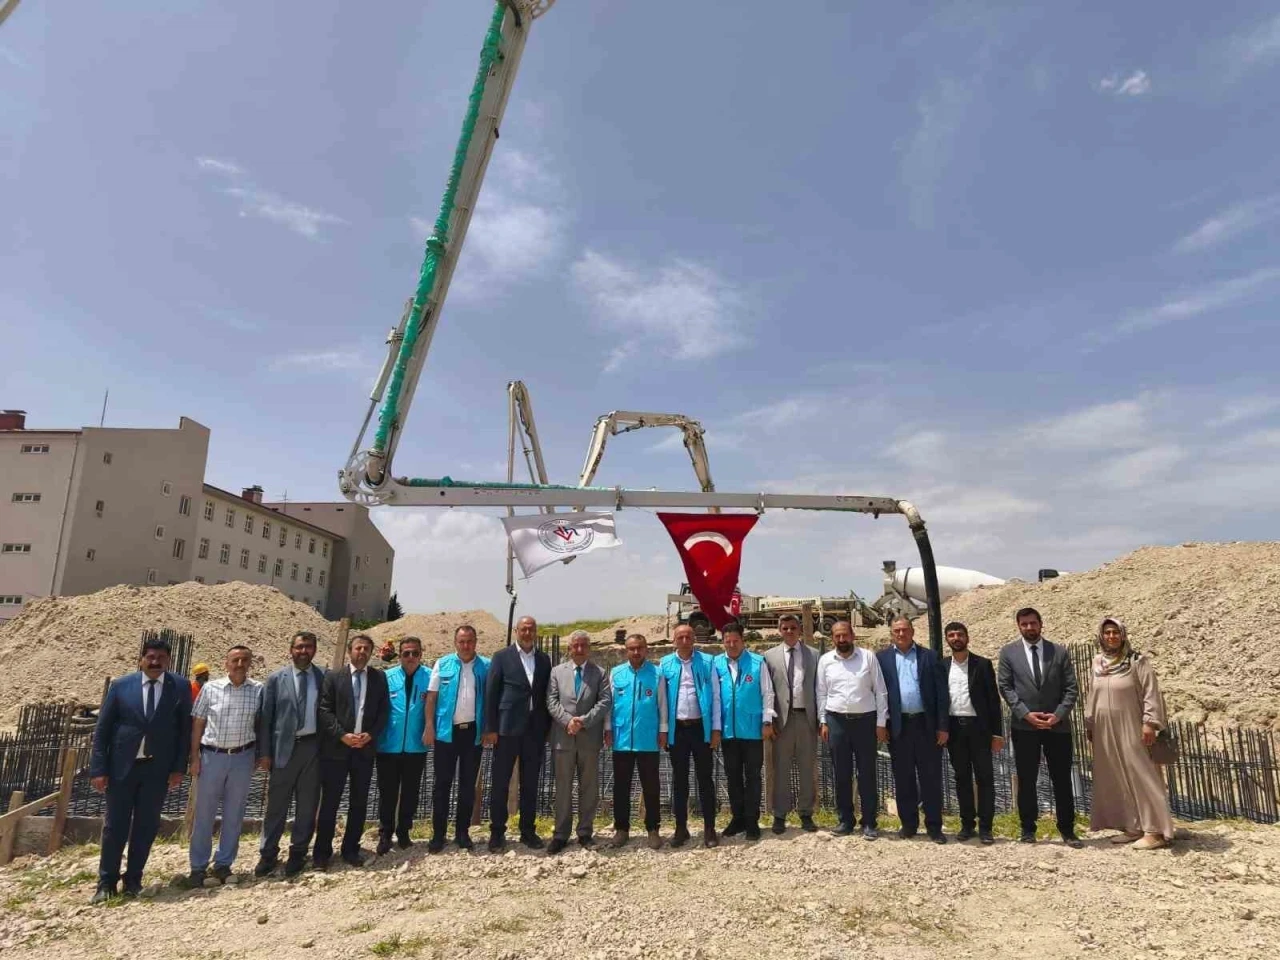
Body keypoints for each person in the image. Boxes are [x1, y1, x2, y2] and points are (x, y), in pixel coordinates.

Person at [89, 635, 192, 903]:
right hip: (122, 769)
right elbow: (102, 730)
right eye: (150, 657)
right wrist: (98, 769)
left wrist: (178, 768)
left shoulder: (180, 687)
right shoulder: (122, 686)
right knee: (115, 827)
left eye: (161, 658)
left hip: (157, 771)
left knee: (146, 827)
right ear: (141, 660)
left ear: (169, 660)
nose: (155, 662)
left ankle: (133, 880)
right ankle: (106, 883)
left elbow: (184, 731)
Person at [1085, 617, 1175, 850]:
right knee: (1116, 774)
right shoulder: (1097, 662)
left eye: (1116, 632)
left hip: (1132, 725)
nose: (1111, 636)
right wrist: (1090, 722)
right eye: (1107, 632)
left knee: (1142, 774)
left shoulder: (1137, 661)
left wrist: (1149, 723)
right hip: (1105, 728)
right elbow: (1092, 694)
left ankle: (1155, 830)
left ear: (1123, 635)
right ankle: (1133, 825)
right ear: (1101, 636)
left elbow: (1151, 692)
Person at [997, 608, 1082, 848]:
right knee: (1026, 779)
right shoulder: (1009, 653)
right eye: (1024, 624)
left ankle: (1067, 830)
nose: (1029, 628)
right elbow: (1005, 687)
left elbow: (1071, 688)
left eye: (1033, 623)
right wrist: (1025, 714)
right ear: (1018, 626)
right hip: (1025, 727)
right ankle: (1027, 829)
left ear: (1041, 624)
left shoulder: (1059, 652)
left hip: (1058, 727)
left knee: (1062, 779)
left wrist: (1058, 715)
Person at [182, 645, 264, 887]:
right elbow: (198, 723)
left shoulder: (258, 690)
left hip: (243, 757)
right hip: (212, 756)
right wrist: (194, 757)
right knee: (204, 814)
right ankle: (198, 867)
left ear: (250, 663)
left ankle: (223, 864)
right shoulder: (210, 688)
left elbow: (261, 724)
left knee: (234, 814)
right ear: (226, 663)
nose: (239, 664)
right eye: (235, 660)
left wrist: (259, 755)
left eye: (244, 660)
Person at [254, 631, 327, 878]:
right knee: (276, 805)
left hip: (312, 748)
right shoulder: (276, 679)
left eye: (309, 647)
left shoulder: (323, 677)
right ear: (291, 650)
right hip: (283, 749)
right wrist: (265, 753)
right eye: (299, 647)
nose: (304, 651)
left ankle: (298, 852)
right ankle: (268, 853)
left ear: (315, 650)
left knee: (307, 805)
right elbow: (265, 719)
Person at [315, 634, 390, 868]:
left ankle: (351, 849)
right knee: (330, 801)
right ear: (350, 651)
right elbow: (324, 710)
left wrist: (370, 734)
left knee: (359, 802)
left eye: (367, 648)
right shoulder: (333, 677)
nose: (362, 652)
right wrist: (342, 735)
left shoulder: (378, 678)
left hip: (364, 750)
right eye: (359, 648)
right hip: (337, 749)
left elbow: (384, 711)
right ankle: (322, 853)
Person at [876, 618, 949, 844]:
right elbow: (878, 693)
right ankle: (908, 825)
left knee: (931, 778)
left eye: (905, 630)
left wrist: (942, 726)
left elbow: (941, 694)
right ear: (891, 633)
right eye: (897, 630)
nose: (901, 634)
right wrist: (882, 724)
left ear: (913, 631)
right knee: (903, 778)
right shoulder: (882, 659)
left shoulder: (930, 656)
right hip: (899, 727)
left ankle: (934, 827)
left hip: (926, 726)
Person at [484, 615, 552, 851]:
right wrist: (491, 728)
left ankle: (528, 831)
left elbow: (546, 695)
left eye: (531, 629)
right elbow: (491, 693)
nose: (527, 633)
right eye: (523, 629)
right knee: (500, 782)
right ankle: (497, 832)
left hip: (534, 731)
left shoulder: (544, 659)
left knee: (530, 783)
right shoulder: (501, 657)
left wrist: (547, 728)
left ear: (536, 632)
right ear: (516, 631)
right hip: (506, 729)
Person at [815, 621, 887, 840]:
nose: (841, 639)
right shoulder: (826, 661)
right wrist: (823, 721)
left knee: (867, 773)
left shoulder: (868, 657)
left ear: (853, 635)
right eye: (837, 636)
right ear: (832, 638)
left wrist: (881, 723)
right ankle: (845, 820)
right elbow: (821, 693)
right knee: (841, 773)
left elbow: (880, 690)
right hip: (836, 722)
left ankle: (869, 822)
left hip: (866, 721)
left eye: (845, 635)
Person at [423, 625, 491, 852]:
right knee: (442, 784)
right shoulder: (442, 664)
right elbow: (431, 698)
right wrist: (429, 726)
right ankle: (438, 834)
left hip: (473, 733)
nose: (466, 645)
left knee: (468, 785)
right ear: (455, 643)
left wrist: (489, 728)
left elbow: (491, 699)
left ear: (475, 642)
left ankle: (462, 832)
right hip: (446, 733)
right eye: (461, 641)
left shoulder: (486, 666)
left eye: (469, 641)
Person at [937, 621, 1003, 845]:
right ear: (947, 639)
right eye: (951, 635)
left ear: (967, 637)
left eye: (960, 634)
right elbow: (940, 700)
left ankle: (986, 827)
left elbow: (993, 701)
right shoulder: (942, 666)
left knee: (985, 778)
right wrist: (942, 728)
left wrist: (997, 734)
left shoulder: (982, 664)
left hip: (979, 729)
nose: (956, 638)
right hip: (955, 729)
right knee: (961, 778)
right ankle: (967, 825)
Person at [546, 630, 611, 854]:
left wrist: (583, 721)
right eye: (576, 645)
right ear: (569, 648)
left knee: (589, 787)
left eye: (584, 645)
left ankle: (585, 832)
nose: (580, 649)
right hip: (563, 738)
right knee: (563, 787)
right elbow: (551, 701)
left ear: (589, 648)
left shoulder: (599, 673)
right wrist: (568, 721)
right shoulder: (557, 672)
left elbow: (605, 701)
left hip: (589, 738)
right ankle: (560, 834)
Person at [659, 623, 721, 848]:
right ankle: (680, 828)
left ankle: (709, 828)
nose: (684, 641)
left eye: (688, 637)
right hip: (678, 730)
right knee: (680, 780)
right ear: (674, 640)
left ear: (694, 639)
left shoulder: (707, 662)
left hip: (700, 729)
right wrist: (664, 730)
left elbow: (715, 696)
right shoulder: (665, 664)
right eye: (680, 637)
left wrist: (716, 729)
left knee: (705, 779)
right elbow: (662, 700)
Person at [713, 621, 775, 840]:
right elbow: (715, 697)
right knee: (732, 776)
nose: (732, 645)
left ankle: (752, 821)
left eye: (735, 641)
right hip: (728, 731)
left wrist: (767, 721)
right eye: (727, 641)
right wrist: (716, 727)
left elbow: (767, 693)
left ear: (743, 640)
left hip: (752, 730)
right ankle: (737, 818)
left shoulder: (757, 662)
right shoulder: (716, 664)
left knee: (753, 777)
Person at [608, 633, 667, 849]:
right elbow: (609, 704)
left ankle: (653, 829)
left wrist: (663, 730)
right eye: (632, 648)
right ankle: (622, 829)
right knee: (621, 787)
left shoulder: (657, 674)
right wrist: (607, 729)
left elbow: (662, 704)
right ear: (626, 651)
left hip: (647, 738)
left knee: (651, 786)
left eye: (639, 648)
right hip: (622, 738)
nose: (636, 652)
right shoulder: (616, 673)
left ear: (646, 649)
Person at [375, 636, 431, 854]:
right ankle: (385, 833)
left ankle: (404, 831)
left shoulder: (430, 677)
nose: (411, 657)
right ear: (399, 655)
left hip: (416, 745)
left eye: (415, 653)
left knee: (411, 792)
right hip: (388, 746)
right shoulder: (386, 677)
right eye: (406, 653)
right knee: (387, 792)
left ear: (421, 654)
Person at [763, 614, 819, 834]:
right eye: (785, 628)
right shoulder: (769, 656)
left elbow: (820, 688)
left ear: (800, 630)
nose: (789, 631)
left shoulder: (814, 655)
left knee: (807, 767)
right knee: (780, 768)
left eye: (793, 628)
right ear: (779, 630)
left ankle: (806, 813)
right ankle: (779, 814)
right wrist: (769, 719)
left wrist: (821, 719)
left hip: (806, 718)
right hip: (781, 720)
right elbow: (767, 690)